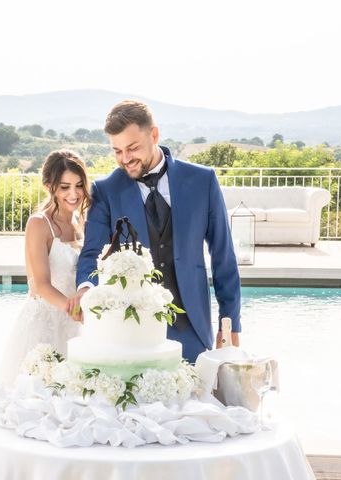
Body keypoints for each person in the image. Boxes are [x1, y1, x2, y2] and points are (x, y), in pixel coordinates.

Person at [67, 100, 241, 363]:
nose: (125, 159)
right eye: (117, 151)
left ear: (155, 135)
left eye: (132, 148)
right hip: (132, 333)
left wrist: (230, 323)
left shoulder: (202, 181)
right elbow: (92, 252)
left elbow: (223, 257)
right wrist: (85, 287)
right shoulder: (106, 190)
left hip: (192, 328)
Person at [0, 149, 91, 385]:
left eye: (79, 185)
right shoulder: (39, 224)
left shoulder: (81, 221)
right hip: (45, 323)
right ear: (49, 187)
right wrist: (75, 312)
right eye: (65, 187)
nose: (74, 194)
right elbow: (39, 284)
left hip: (76, 323)